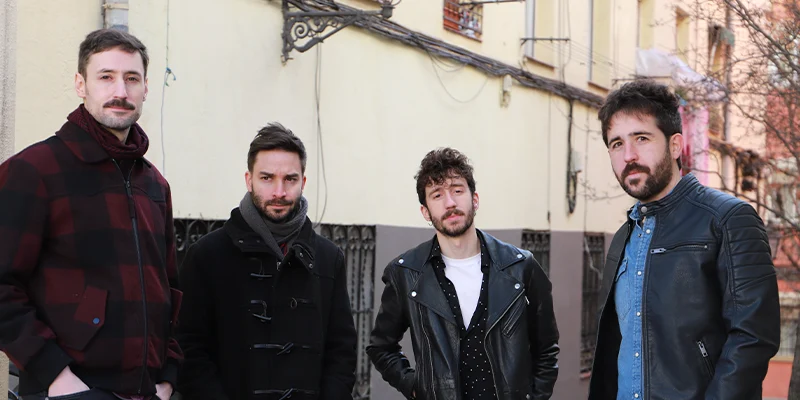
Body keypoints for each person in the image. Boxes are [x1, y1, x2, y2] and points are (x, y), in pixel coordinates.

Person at [0, 29, 181, 400]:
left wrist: (167, 379)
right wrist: (57, 377)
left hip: (147, 391)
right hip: (68, 390)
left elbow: (172, 290)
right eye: (106, 77)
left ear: (146, 88)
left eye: (132, 78)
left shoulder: (154, 185)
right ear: (81, 85)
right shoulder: (34, 170)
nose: (120, 91)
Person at [588, 80, 781, 399]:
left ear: (676, 145)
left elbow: (753, 338)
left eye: (641, 138)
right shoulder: (624, 236)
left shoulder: (727, 220)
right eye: (617, 143)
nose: (629, 155)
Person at [176, 123, 357, 400]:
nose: (279, 192)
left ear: (303, 182)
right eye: (267, 178)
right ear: (249, 180)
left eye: (290, 179)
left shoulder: (328, 258)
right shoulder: (207, 255)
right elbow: (190, 350)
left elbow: (341, 352)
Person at [367, 147, 559, 400]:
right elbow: (381, 347)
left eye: (457, 190)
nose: (450, 203)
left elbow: (547, 349)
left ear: (474, 199)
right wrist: (416, 386)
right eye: (437, 195)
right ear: (426, 212)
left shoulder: (520, 267)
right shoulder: (405, 273)